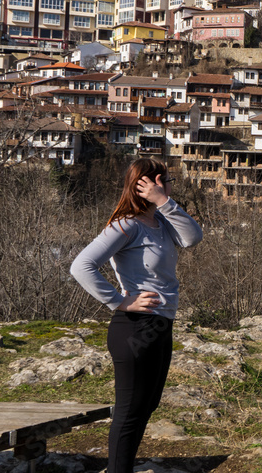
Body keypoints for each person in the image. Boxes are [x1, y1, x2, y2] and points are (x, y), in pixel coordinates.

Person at [70, 158, 203, 473]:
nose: (171, 185)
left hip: (160, 324)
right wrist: (118, 301)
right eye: (167, 181)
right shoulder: (126, 224)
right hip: (134, 327)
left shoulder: (162, 222)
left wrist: (164, 202)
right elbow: (81, 266)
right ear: (154, 181)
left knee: (147, 405)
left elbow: (193, 237)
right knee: (130, 412)